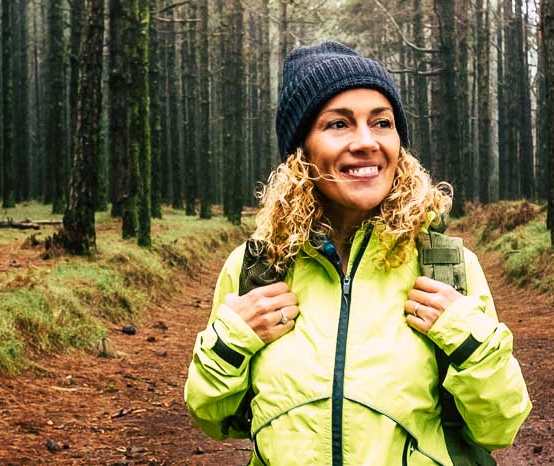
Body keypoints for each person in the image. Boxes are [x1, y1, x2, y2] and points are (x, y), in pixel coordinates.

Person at [183, 41, 530, 466]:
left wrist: (465, 337)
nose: (366, 142)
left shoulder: (446, 267)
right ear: (301, 151)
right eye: (339, 125)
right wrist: (232, 340)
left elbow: (500, 425)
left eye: (381, 122)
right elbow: (211, 416)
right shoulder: (258, 267)